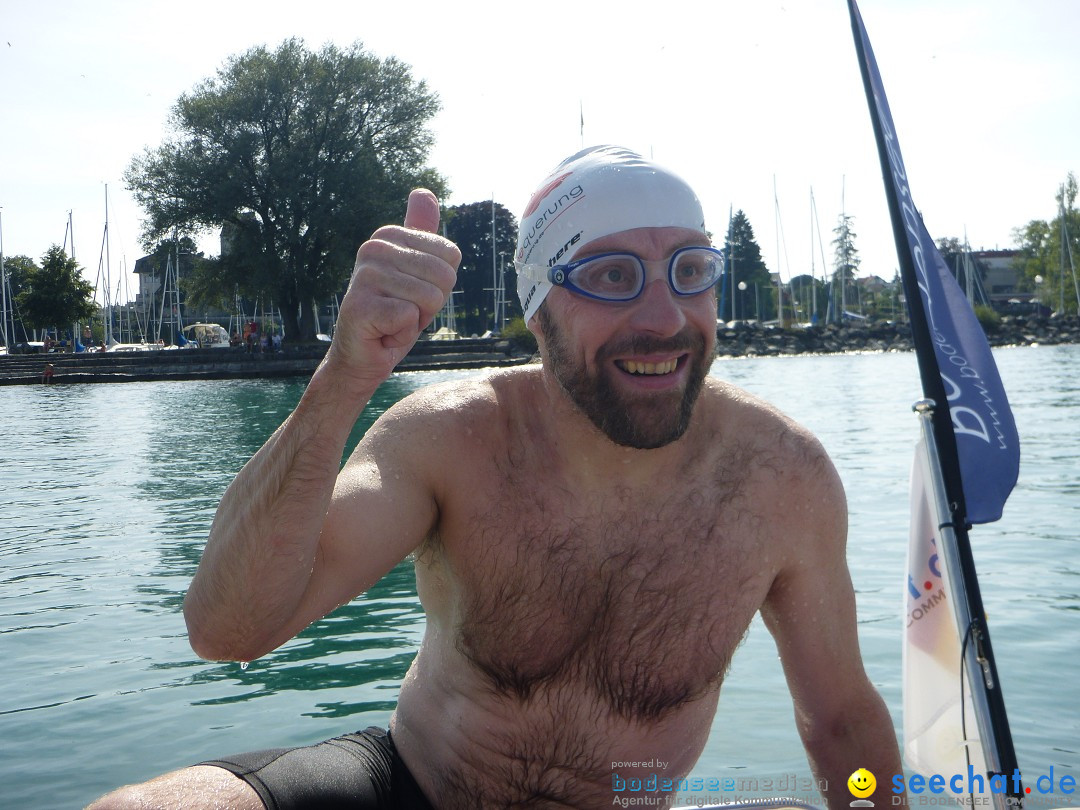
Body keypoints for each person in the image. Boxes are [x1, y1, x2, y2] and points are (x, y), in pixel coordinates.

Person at [91, 146, 902, 810]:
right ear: (540, 310)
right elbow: (228, 630)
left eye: (691, 271)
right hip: (411, 790)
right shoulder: (452, 438)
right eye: (613, 277)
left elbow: (839, 719)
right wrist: (345, 375)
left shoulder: (779, 478)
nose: (664, 317)